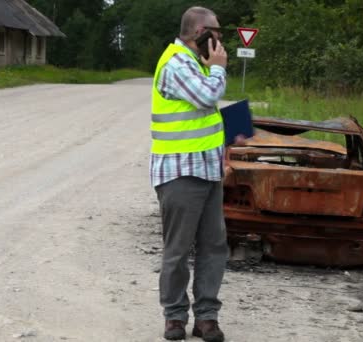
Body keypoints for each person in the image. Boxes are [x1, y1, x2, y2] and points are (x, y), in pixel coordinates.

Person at [149, 6, 228, 342]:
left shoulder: (199, 63)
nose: (221, 38)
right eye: (217, 31)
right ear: (200, 33)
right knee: (178, 250)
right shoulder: (176, 63)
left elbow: (210, 115)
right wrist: (220, 69)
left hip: (208, 171)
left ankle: (207, 318)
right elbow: (209, 94)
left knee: (213, 246)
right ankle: (175, 317)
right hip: (179, 172)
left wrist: (231, 150)